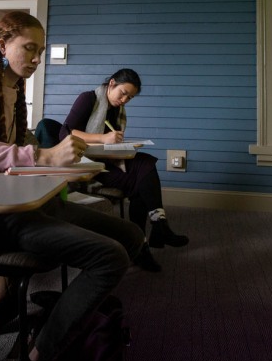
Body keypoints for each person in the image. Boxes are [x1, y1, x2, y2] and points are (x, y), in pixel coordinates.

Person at [0, 11, 155, 361]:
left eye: (40, 51)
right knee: (111, 256)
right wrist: (43, 157)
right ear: (4, 45)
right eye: (29, 49)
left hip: (31, 199)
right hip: (0, 214)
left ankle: (72, 317)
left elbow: (20, 147)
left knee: (132, 236)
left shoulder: (15, 89)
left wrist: (60, 164)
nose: (37, 59)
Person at [61, 68, 189, 248]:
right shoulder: (88, 98)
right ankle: (151, 236)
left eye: (129, 98)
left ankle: (149, 236)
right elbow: (66, 133)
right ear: (112, 84)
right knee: (141, 179)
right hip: (88, 165)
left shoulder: (116, 109)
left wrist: (120, 144)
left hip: (107, 159)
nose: (124, 100)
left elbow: (108, 144)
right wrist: (102, 138)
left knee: (145, 163)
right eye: (123, 94)